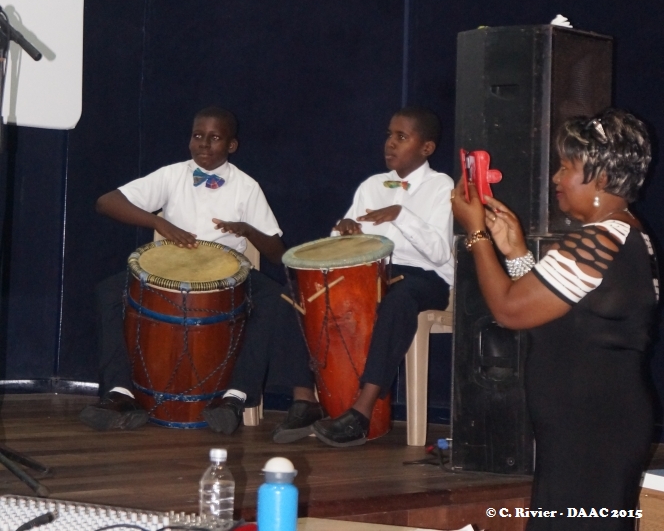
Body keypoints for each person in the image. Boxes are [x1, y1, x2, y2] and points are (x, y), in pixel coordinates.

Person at [452, 109, 658, 531]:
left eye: (567, 167)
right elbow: (554, 313)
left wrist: (476, 235)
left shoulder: (597, 240)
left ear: (601, 176)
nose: (556, 179)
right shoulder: (626, 235)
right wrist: (514, 252)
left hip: (591, 427)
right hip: (596, 422)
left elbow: (510, 311)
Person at [79, 106, 324, 439]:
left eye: (215, 138)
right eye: (198, 136)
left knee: (280, 300)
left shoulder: (246, 186)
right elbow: (106, 202)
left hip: (229, 275)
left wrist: (248, 230)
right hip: (170, 267)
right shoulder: (172, 174)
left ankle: (234, 398)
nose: (204, 145)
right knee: (108, 291)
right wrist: (157, 221)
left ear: (231, 145)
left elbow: (278, 254)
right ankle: (121, 393)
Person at [311, 106, 454, 447]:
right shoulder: (372, 185)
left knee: (398, 300)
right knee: (316, 294)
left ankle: (361, 411)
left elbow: (439, 252)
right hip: (374, 271)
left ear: (427, 148)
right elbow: (341, 244)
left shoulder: (440, 186)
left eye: (401, 137)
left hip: (424, 277)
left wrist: (401, 215)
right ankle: (310, 401)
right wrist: (343, 232)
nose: (390, 143)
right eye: (389, 135)